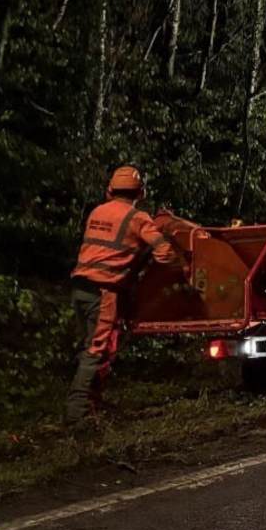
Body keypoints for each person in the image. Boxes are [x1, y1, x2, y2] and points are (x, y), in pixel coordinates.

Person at [65, 166, 183, 424]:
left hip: (80, 287)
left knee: (92, 347)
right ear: (141, 192)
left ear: (110, 189)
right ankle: (78, 413)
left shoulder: (97, 212)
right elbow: (163, 251)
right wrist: (179, 267)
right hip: (103, 291)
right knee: (97, 350)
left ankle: (91, 404)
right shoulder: (137, 218)